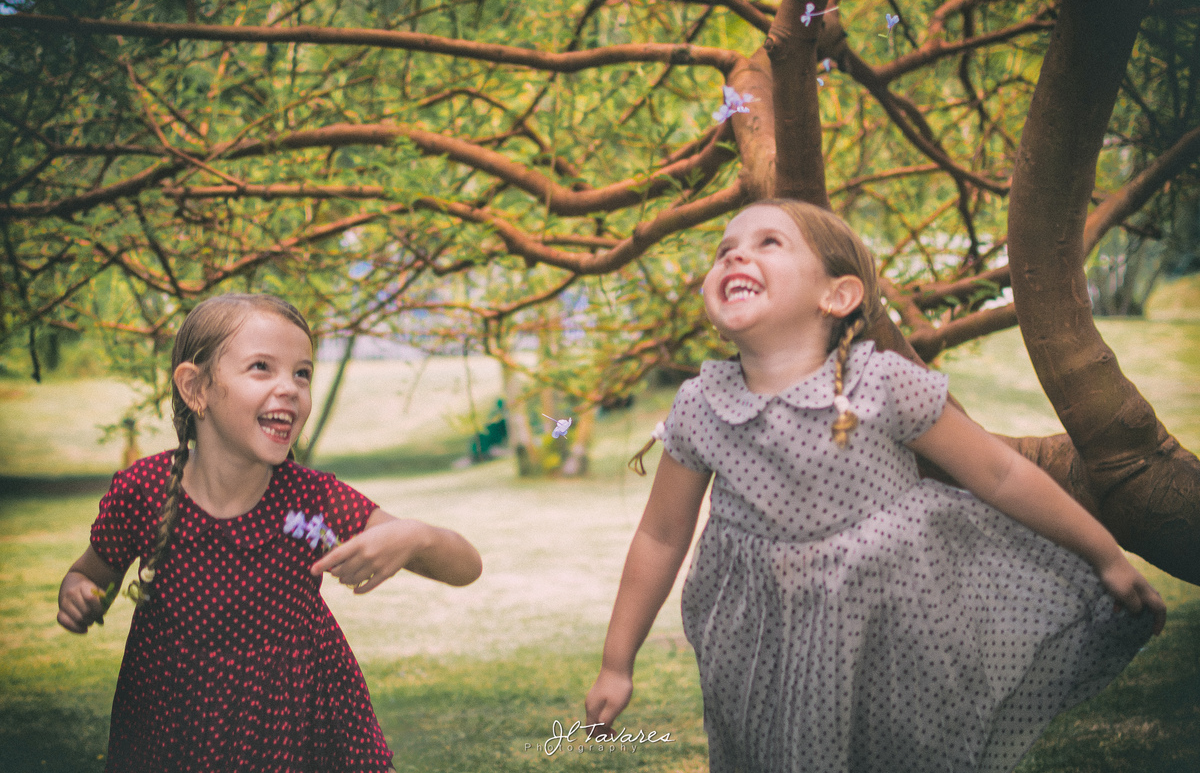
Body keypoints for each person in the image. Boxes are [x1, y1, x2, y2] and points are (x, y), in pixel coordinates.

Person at [586, 200, 1166, 773]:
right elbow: (661, 537)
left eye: (769, 243)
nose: (737, 255)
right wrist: (617, 662)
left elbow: (1000, 473)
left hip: (894, 628)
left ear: (837, 296)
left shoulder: (882, 384)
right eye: (725, 251)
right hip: (765, 645)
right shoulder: (701, 407)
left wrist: (1103, 553)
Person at [57, 293, 482, 773]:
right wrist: (80, 595)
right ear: (195, 388)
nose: (290, 388)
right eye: (262, 367)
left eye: (302, 373)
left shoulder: (312, 500)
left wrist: (415, 536)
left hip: (297, 728)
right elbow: (90, 575)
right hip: (173, 722)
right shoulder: (146, 492)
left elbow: (467, 567)